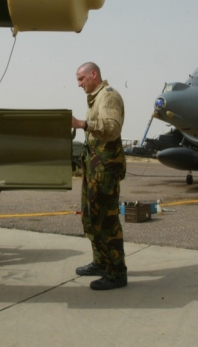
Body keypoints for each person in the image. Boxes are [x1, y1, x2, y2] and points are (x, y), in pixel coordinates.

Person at [71, 62, 128, 290]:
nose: (79, 84)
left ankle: (117, 273)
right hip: (94, 169)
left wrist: (82, 124)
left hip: (105, 170)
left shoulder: (108, 96)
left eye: (81, 78)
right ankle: (101, 262)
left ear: (93, 74)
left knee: (106, 221)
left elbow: (112, 128)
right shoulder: (95, 98)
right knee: (90, 218)